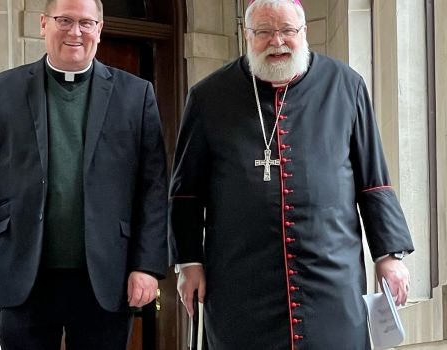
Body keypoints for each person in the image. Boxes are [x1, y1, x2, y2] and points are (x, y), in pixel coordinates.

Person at [169, 0, 414, 349]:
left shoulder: (346, 86)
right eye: (264, 32)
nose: (277, 42)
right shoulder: (208, 97)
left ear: (304, 32)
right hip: (241, 281)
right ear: (246, 35)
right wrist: (189, 261)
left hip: (330, 278)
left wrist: (389, 256)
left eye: (287, 31)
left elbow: (373, 180)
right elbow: (186, 193)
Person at [0, 0, 168, 348]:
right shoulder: (1, 91)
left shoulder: (136, 95)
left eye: (86, 23)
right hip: (24, 270)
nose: (75, 32)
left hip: (106, 274)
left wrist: (147, 266)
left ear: (100, 30)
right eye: (65, 20)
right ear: (44, 24)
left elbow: (153, 189)